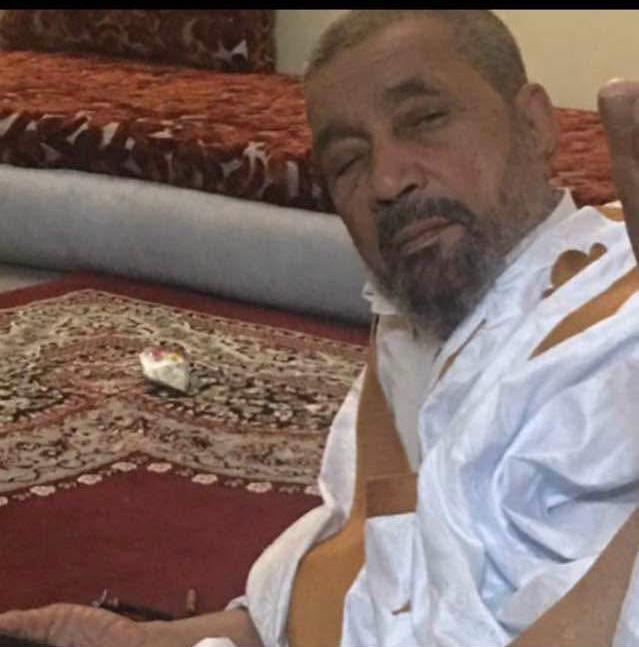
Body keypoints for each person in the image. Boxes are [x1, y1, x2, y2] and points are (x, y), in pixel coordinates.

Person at [1, 9, 638, 647]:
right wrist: (159, 642)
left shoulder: (617, 320)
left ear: (534, 124)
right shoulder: (419, 328)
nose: (387, 180)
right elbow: (361, 580)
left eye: (425, 120)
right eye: (348, 161)